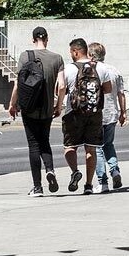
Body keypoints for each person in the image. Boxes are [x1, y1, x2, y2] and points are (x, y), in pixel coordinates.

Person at [7, 26, 65, 196]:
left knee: (33, 145)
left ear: (33, 39)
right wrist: (58, 105)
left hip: (29, 107)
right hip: (47, 108)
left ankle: (37, 187)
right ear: (47, 39)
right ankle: (50, 170)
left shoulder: (25, 56)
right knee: (44, 141)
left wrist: (12, 104)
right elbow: (62, 85)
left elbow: (18, 83)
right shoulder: (57, 58)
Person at [55, 37, 109, 196]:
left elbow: (62, 88)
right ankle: (88, 184)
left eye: (71, 52)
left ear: (76, 51)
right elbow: (107, 89)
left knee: (69, 147)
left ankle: (75, 171)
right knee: (90, 148)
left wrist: (58, 107)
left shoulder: (69, 69)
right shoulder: (100, 68)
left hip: (74, 113)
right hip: (94, 113)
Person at [89, 41, 126, 192]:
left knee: (97, 148)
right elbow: (121, 93)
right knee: (108, 145)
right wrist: (123, 113)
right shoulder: (114, 70)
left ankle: (102, 182)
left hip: (97, 114)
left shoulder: (93, 70)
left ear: (91, 55)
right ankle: (115, 170)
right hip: (112, 113)